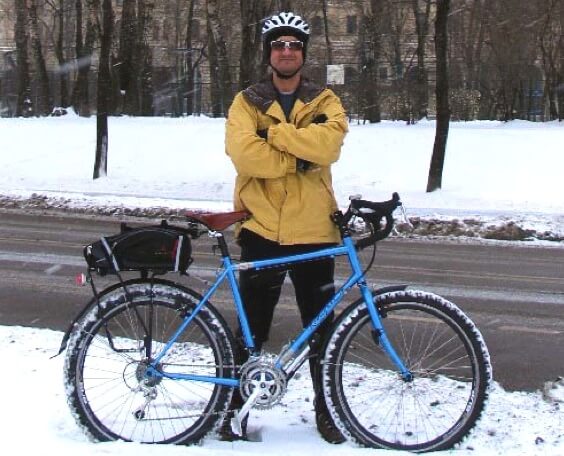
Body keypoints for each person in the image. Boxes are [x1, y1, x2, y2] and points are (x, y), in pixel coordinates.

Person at [223, 11, 348, 444]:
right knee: (252, 326)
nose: (287, 52)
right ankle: (233, 409)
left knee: (322, 331)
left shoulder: (326, 99)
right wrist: (299, 156)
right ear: (269, 53)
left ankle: (327, 409)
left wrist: (274, 136)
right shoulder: (247, 100)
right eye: (279, 45)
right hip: (260, 230)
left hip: (315, 231)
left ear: (303, 53)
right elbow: (243, 154)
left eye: (294, 45)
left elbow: (329, 145)